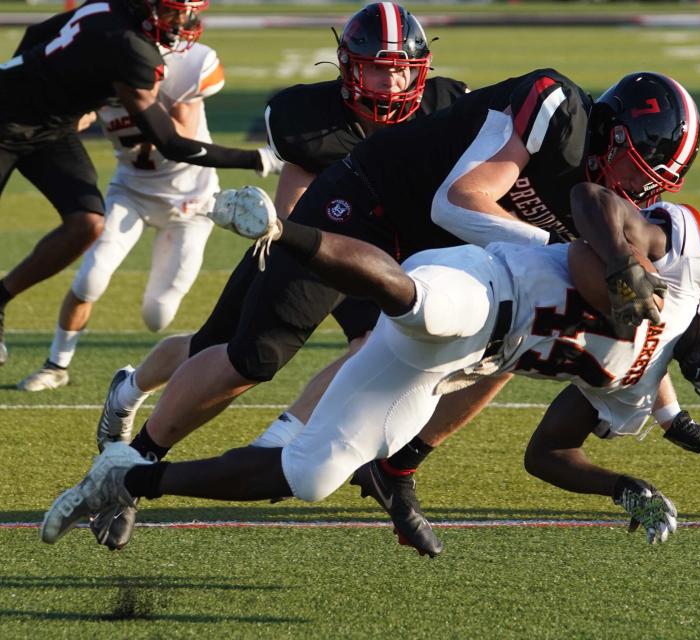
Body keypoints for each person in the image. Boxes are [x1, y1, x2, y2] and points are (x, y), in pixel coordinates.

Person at [90, 68, 700, 553]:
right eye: (634, 170)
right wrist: (566, 253)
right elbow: (459, 202)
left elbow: (649, 324)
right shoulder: (557, 107)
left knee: (497, 355)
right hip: (365, 208)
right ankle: (134, 461)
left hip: (429, 256)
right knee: (250, 357)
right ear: (614, 132)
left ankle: (393, 467)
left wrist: (669, 414)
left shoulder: (602, 202)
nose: (637, 193)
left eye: (651, 185)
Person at [40, 183, 700, 552]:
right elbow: (593, 200)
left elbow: (547, 453)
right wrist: (630, 269)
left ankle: (127, 478)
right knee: (425, 303)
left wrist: (620, 486)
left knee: (308, 476)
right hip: (486, 284)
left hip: (456, 369)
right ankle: (283, 230)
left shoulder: (640, 385)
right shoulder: (685, 260)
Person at [83, 1, 468, 550]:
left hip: (384, 254)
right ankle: (132, 417)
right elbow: (296, 220)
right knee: (222, 353)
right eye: (380, 67)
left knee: (377, 342)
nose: (394, 79)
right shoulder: (308, 119)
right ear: (349, 66)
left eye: (403, 67)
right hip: (308, 239)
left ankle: (284, 436)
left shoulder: (449, 105)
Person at [0, 0, 281, 366]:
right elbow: (171, 143)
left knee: (87, 223)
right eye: (172, 11)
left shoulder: (106, 7)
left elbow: (37, 33)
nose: (182, 22)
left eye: (187, 11)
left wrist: (45, 84)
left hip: (53, 128)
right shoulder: (132, 48)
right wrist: (256, 159)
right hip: (5, 121)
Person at [17, 40, 231, 391]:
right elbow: (74, 118)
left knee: (157, 315)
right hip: (132, 190)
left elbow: (183, 139)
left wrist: (146, 108)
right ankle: (56, 365)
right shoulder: (100, 78)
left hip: (190, 203)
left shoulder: (184, 69)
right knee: (91, 277)